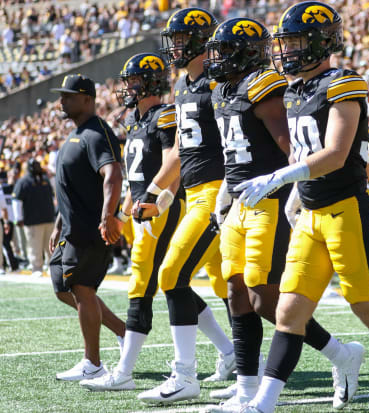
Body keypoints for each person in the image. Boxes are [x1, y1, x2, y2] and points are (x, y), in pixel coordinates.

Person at [233, 2, 369, 412]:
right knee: (289, 311)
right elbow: (300, 154)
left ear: (321, 42)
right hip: (310, 214)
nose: (286, 50)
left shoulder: (342, 83)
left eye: (295, 42)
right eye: (284, 42)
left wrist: (279, 179)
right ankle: (263, 404)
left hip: (345, 210)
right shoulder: (293, 91)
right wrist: (292, 193)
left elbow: (337, 153)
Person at [204, 17, 362, 411]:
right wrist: (226, 192)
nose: (218, 57)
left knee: (263, 297)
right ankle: (246, 388)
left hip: (270, 200)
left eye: (225, 50)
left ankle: (339, 353)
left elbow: (294, 147)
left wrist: (293, 192)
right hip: (241, 200)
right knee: (235, 291)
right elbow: (234, 154)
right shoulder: (223, 90)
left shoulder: (265, 87)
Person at [79, 53, 203, 391]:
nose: (127, 88)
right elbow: (136, 179)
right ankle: (228, 351)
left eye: (132, 81)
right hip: (141, 210)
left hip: (160, 210)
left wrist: (159, 203)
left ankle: (124, 372)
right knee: (174, 284)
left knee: (145, 287)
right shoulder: (135, 122)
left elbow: (172, 169)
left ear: (149, 82)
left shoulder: (165, 116)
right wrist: (120, 216)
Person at [136, 8, 236, 404]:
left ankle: (185, 375)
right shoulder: (182, 84)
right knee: (227, 284)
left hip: (217, 193)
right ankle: (242, 359)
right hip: (193, 192)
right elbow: (179, 149)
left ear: (198, 40)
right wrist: (154, 189)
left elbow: (234, 140)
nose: (174, 46)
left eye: (180, 39)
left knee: (171, 274)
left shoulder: (218, 80)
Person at [48, 73, 126, 381]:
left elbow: (113, 174)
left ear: (87, 99)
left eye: (68, 95)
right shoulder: (77, 132)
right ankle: (123, 331)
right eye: (62, 95)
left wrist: (108, 215)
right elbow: (71, 185)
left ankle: (92, 362)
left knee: (82, 289)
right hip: (70, 228)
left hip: (89, 229)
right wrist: (58, 224)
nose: (62, 100)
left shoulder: (96, 132)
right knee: (62, 286)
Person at [13, 158, 56, 277]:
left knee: (50, 246)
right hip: (32, 220)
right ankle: (37, 267)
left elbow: (52, 198)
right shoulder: (23, 182)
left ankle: (53, 266)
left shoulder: (45, 180)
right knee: (34, 246)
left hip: (48, 218)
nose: (38, 168)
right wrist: (18, 218)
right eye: (36, 165)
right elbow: (17, 201)